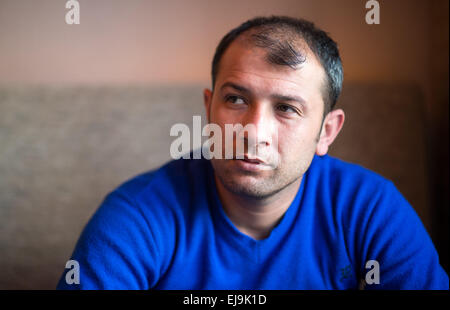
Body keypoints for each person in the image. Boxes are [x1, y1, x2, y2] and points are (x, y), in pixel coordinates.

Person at [57, 16, 448, 290]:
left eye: (287, 108)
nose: (253, 132)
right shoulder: (138, 214)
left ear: (326, 132)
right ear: (209, 109)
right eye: (236, 99)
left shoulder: (370, 207)